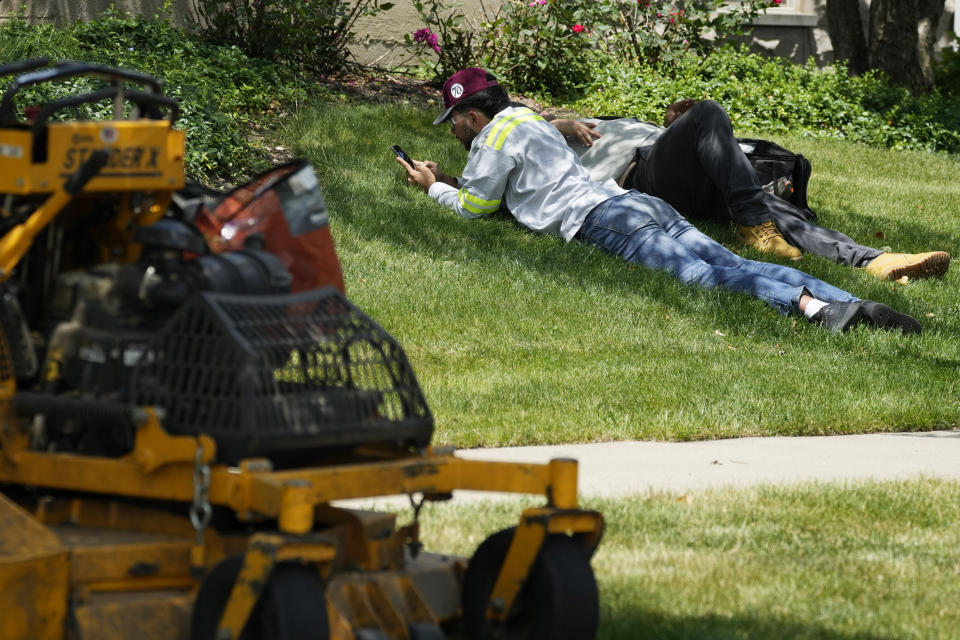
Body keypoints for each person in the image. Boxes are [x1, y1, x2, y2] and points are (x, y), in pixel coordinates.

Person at [396, 68, 922, 334]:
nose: (455, 133)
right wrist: (452, 177)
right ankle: (847, 301)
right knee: (729, 260)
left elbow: (475, 208)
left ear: (472, 116)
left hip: (605, 220)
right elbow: (516, 163)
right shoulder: (526, 119)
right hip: (641, 205)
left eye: (455, 123)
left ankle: (816, 311)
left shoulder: (490, 140)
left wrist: (433, 187)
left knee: (702, 277)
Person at [548, 101, 950, 281]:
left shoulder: (634, 122)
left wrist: (674, 125)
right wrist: (563, 124)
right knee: (708, 111)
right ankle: (754, 222)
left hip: (679, 172)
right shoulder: (534, 133)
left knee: (757, 196)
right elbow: (524, 125)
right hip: (638, 177)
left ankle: (872, 260)